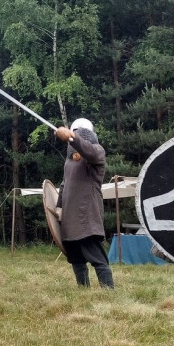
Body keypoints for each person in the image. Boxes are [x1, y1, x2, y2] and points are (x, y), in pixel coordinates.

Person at [53, 118, 114, 289]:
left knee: (96, 256)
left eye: (80, 133)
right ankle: (83, 290)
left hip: (86, 214)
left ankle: (108, 292)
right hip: (69, 217)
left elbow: (89, 151)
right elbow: (64, 185)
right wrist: (59, 206)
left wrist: (72, 136)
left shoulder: (96, 153)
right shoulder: (69, 162)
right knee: (75, 257)